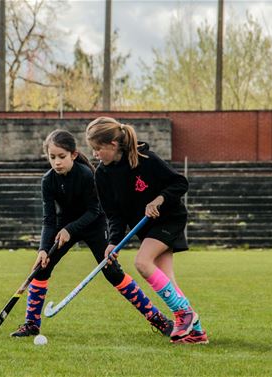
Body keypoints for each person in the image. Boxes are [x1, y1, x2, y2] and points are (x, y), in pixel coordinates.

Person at [10, 129, 174, 338]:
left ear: (74, 154)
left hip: (93, 225)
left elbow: (94, 211)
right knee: (41, 268)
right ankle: (32, 324)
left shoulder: (87, 175)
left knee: (113, 272)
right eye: (52, 157)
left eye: (62, 156)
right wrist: (43, 249)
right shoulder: (48, 181)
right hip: (64, 226)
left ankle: (158, 319)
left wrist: (70, 229)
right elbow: (49, 219)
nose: (57, 162)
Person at [85, 117, 208, 344]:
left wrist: (159, 199)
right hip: (147, 228)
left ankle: (184, 315)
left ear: (113, 144)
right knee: (167, 280)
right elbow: (114, 214)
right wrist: (113, 242)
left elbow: (180, 183)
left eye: (98, 149)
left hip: (169, 219)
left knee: (142, 262)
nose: (95, 155)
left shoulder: (146, 159)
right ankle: (197, 332)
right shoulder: (102, 175)